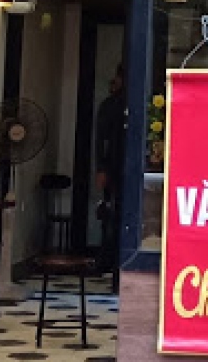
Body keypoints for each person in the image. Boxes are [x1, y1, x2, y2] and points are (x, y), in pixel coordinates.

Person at [94, 67, 127, 271]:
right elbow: (102, 139)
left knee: (115, 211)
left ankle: (111, 258)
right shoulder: (111, 104)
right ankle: (108, 257)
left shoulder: (123, 102)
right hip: (113, 164)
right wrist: (101, 168)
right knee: (110, 211)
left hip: (120, 164)